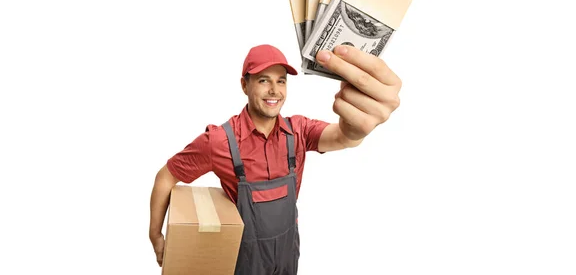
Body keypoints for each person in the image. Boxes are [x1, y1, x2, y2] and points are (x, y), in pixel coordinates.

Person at [149, 43, 402, 274]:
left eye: (281, 81)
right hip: (244, 261)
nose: (274, 90)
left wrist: (356, 128)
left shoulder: (299, 132)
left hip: (287, 256)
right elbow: (166, 176)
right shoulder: (220, 141)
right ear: (244, 85)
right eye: (263, 80)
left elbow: (343, 137)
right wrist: (155, 235)